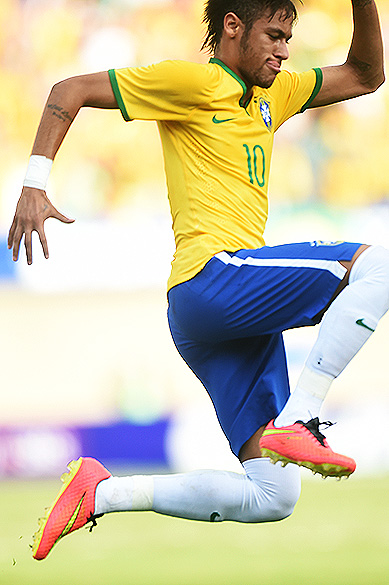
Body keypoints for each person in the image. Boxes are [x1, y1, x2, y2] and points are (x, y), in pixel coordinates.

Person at [8, 0, 389, 562]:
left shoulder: (274, 93)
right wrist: (35, 182)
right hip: (211, 280)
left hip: (222, 317)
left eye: (289, 37)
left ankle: (104, 491)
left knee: (273, 494)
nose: (285, 51)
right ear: (233, 27)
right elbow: (68, 90)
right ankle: (303, 416)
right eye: (275, 35)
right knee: (378, 265)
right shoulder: (189, 82)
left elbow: (365, 76)